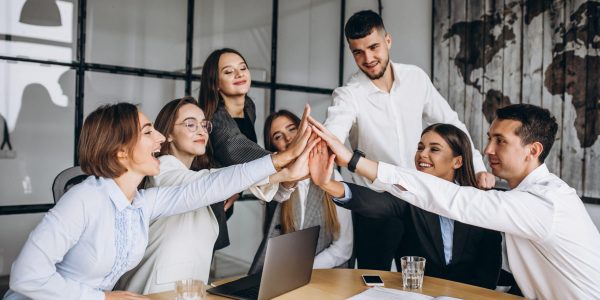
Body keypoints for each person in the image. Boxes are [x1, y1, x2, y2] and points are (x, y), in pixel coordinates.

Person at [3, 102, 314, 300]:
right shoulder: (83, 199)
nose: (161, 139)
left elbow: (210, 186)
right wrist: (105, 299)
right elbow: (25, 277)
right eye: (148, 132)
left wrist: (279, 162)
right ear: (120, 151)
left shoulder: (142, 203)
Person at [309, 104, 600, 299]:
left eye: (500, 141)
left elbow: (453, 199)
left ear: (532, 150)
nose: (487, 149)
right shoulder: (526, 197)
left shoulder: (543, 203)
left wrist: (352, 160)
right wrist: (329, 183)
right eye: (489, 139)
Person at [323, 10, 496, 271]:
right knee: (373, 280)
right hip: (375, 206)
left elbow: (452, 124)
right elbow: (333, 133)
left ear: (388, 40)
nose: (368, 58)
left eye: (373, 47)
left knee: (422, 281)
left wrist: (479, 168)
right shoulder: (348, 95)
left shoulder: (416, 78)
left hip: (418, 203)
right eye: (358, 52)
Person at [114, 98, 312, 294]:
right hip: (151, 292)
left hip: (187, 292)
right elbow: (210, 183)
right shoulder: (163, 171)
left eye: (204, 124)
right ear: (168, 134)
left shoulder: (200, 178)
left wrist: (288, 176)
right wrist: (283, 161)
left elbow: (218, 183)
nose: (201, 130)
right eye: (190, 124)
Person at [310, 123, 502, 289]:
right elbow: (374, 203)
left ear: (457, 161)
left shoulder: (480, 202)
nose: (422, 155)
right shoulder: (410, 195)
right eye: (420, 147)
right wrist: (327, 184)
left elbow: (488, 270)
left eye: (434, 149)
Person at [199, 48, 293, 251]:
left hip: (227, 196)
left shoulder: (248, 107)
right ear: (215, 83)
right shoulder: (215, 118)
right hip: (206, 201)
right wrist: (288, 158)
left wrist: (238, 189)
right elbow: (237, 150)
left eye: (243, 68)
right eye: (228, 71)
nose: (239, 74)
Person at [249, 110, 353, 273]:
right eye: (278, 136)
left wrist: (300, 269)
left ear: (305, 130)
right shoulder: (277, 186)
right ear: (273, 148)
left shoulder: (334, 179)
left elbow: (343, 249)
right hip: (283, 273)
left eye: (292, 129)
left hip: (326, 275)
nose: (288, 138)